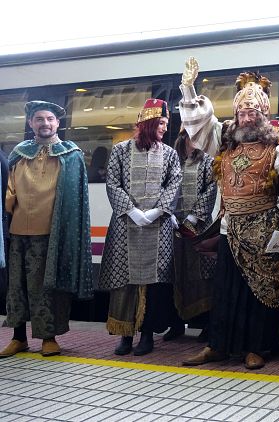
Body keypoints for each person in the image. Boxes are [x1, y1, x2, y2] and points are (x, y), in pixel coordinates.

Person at [178, 58, 279, 370]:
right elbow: (200, 126)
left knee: (258, 293)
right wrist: (189, 87)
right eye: (242, 112)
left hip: (264, 230)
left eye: (253, 113)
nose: (247, 117)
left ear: (263, 115)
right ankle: (218, 345)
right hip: (228, 228)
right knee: (224, 290)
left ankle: (256, 348)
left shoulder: (275, 148)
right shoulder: (224, 141)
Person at [1, 101, 93, 358]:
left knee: (48, 286)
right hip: (19, 231)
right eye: (39, 119)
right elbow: (9, 190)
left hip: (54, 232)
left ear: (58, 123)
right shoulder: (20, 153)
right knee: (16, 285)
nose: (45, 124)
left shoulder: (71, 154)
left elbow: (76, 199)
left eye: (50, 119)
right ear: (31, 123)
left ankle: (49, 337)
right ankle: (18, 337)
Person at [99, 98, 183, 357]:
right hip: (126, 225)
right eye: (160, 123)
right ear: (147, 123)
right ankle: (125, 335)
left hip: (158, 228)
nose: (163, 129)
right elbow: (113, 183)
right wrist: (133, 211)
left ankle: (147, 335)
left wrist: (158, 211)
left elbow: (174, 183)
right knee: (124, 282)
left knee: (154, 283)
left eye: (165, 124)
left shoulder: (169, 153)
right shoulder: (121, 150)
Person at [169, 128, 218, 341]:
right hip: (172, 227)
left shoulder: (207, 160)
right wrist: (167, 213)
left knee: (203, 276)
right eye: (191, 135)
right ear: (183, 137)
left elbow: (211, 189)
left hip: (199, 229)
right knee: (175, 275)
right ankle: (176, 323)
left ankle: (207, 324)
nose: (195, 140)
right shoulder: (172, 159)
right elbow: (164, 188)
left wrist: (193, 218)